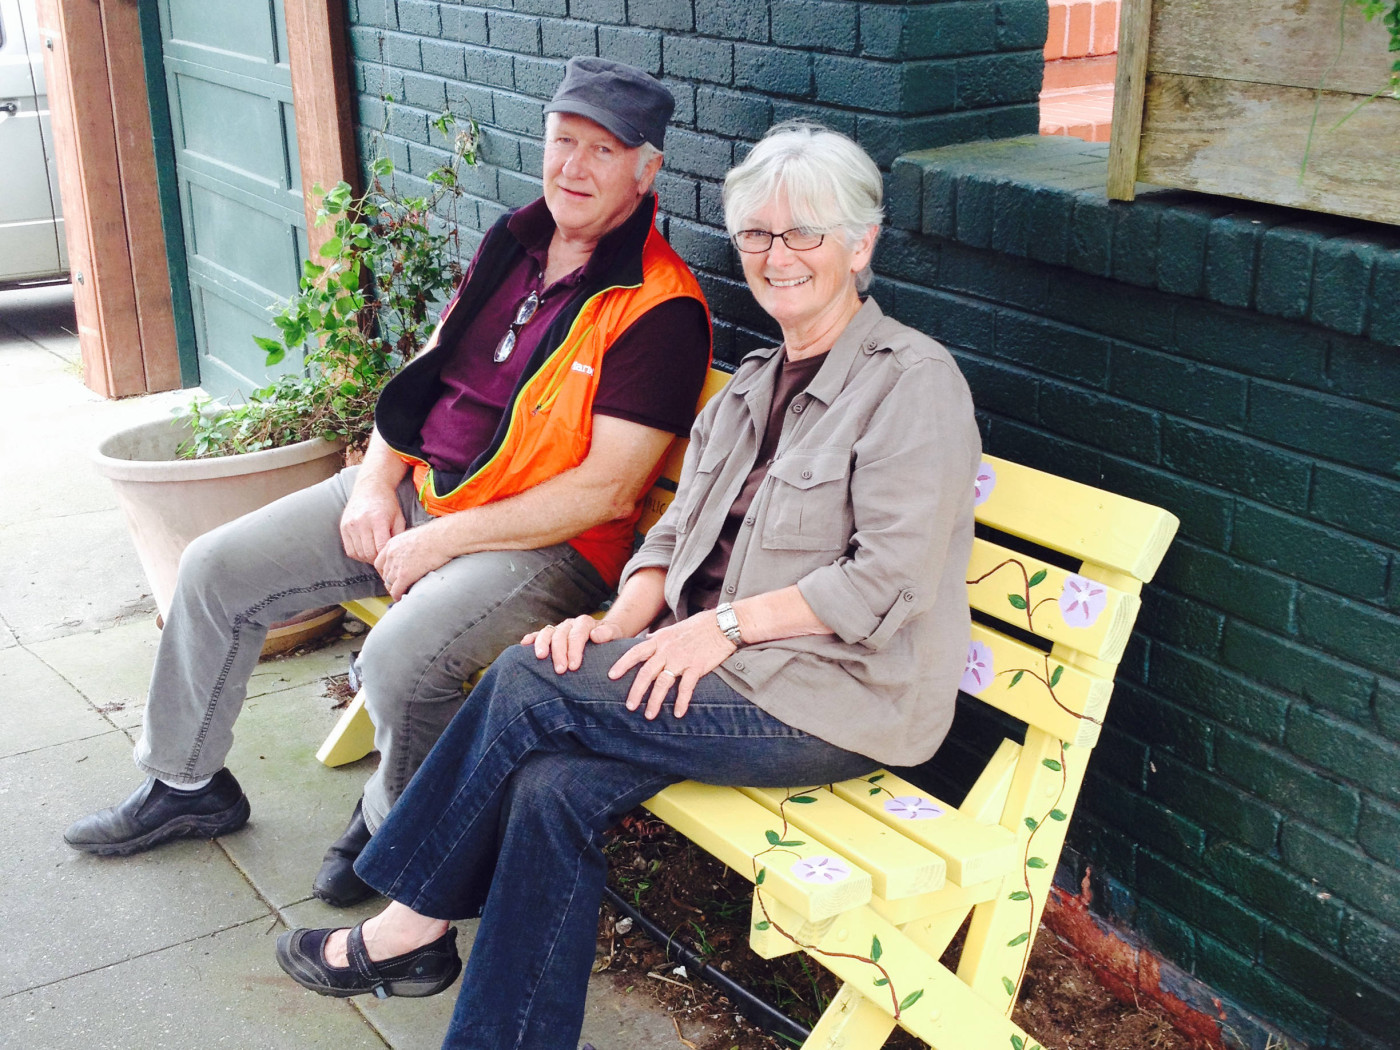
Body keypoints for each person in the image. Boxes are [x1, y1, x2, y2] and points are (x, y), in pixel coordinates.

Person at [273, 121, 980, 1050]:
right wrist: (618, 620)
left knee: (523, 687)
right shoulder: (751, 385)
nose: (778, 256)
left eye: (806, 232)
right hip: (705, 669)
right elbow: (676, 528)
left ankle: (409, 926)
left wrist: (719, 627)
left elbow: (887, 580)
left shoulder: (911, 384)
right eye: (757, 235)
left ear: (861, 244)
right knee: (551, 785)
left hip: (834, 699)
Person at [63, 57, 713, 911]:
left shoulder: (659, 305)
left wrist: (441, 540)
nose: (576, 166)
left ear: (647, 168)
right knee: (214, 567)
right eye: (564, 141)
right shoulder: (509, 244)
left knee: (403, 655)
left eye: (604, 150)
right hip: (419, 493)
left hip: (545, 548)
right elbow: (426, 375)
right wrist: (375, 483)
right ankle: (187, 788)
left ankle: (389, 826)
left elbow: (604, 493)